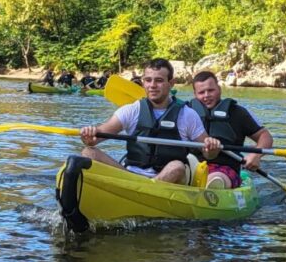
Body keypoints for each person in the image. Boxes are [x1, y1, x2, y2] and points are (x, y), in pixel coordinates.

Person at [80, 59, 218, 184]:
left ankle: (143, 189)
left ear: (171, 83)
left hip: (167, 180)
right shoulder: (132, 110)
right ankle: (136, 189)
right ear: (143, 82)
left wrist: (211, 147)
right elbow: (94, 139)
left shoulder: (187, 114)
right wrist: (89, 136)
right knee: (89, 153)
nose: (152, 85)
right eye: (148, 80)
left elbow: (208, 153)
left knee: (177, 166)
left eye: (159, 80)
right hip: (130, 176)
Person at [186, 71, 274, 189]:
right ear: (195, 94)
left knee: (216, 178)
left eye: (211, 90)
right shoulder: (186, 112)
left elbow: (265, 135)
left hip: (225, 169)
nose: (206, 95)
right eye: (201, 92)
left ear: (219, 89)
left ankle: (209, 193)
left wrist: (255, 155)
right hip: (193, 165)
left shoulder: (238, 112)